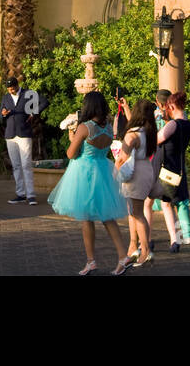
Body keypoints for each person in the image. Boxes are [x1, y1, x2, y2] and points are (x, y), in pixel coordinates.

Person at [47, 90, 131, 275]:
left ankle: (91, 261)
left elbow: (71, 154)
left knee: (86, 218)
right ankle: (123, 256)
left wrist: (72, 138)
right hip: (103, 171)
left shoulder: (85, 127)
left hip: (85, 173)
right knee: (108, 217)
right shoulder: (108, 127)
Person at [150, 88, 190, 245]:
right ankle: (186, 235)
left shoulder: (173, 125)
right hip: (180, 166)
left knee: (164, 203)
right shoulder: (188, 124)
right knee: (180, 202)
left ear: (172, 107)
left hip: (167, 167)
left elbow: (156, 139)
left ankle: (175, 238)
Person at [119, 99, 157, 267]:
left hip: (135, 173)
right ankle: (133, 245)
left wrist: (114, 172)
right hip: (146, 169)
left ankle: (145, 250)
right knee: (134, 211)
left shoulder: (132, 134)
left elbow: (122, 157)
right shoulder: (148, 132)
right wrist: (126, 107)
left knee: (137, 213)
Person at [0, 76, 36, 205]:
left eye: (12, 88)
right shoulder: (5, 98)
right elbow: (0, 116)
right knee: (16, 166)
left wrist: (33, 113)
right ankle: (21, 194)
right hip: (10, 135)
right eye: (8, 88)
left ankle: (31, 195)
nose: (10, 91)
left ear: (17, 85)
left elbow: (42, 102)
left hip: (24, 133)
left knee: (26, 164)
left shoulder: (28, 93)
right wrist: (3, 114)